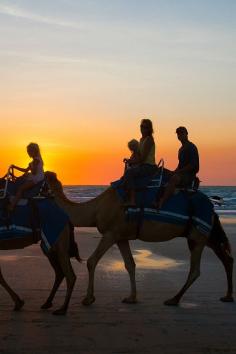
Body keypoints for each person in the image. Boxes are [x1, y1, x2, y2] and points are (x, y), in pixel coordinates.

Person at [157, 126, 199, 209]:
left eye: (181, 133)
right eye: (178, 134)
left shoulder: (191, 147)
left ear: (186, 134)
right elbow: (180, 165)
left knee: (174, 178)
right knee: (161, 171)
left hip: (188, 176)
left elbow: (193, 165)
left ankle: (162, 201)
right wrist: (173, 171)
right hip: (180, 174)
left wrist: (178, 172)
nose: (180, 135)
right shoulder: (181, 149)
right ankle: (155, 198)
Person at [123, 119, 157, 206]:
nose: (143, 129)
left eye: (145, 127)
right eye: (141, 126)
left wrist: (131, 161)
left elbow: (143, 158)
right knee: (128, 169)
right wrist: (131, 160)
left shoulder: (149, 140)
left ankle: (133, 200)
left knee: (129, 173)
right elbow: (139, 155)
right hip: (143, 165)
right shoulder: (141, 139)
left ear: (149, 129)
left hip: (149, 166)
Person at [9, 143, 44, 210]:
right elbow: (25, 170)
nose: (28, 153)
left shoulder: (36, 160)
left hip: (36, 178)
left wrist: (31, 167)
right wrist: (15, 167)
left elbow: (34, 172)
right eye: (28, 151)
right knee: (21, 179)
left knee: (21, 188)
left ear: (35, 151)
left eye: (30, 151)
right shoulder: (34, 160)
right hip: (36, 177)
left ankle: (12, 206)